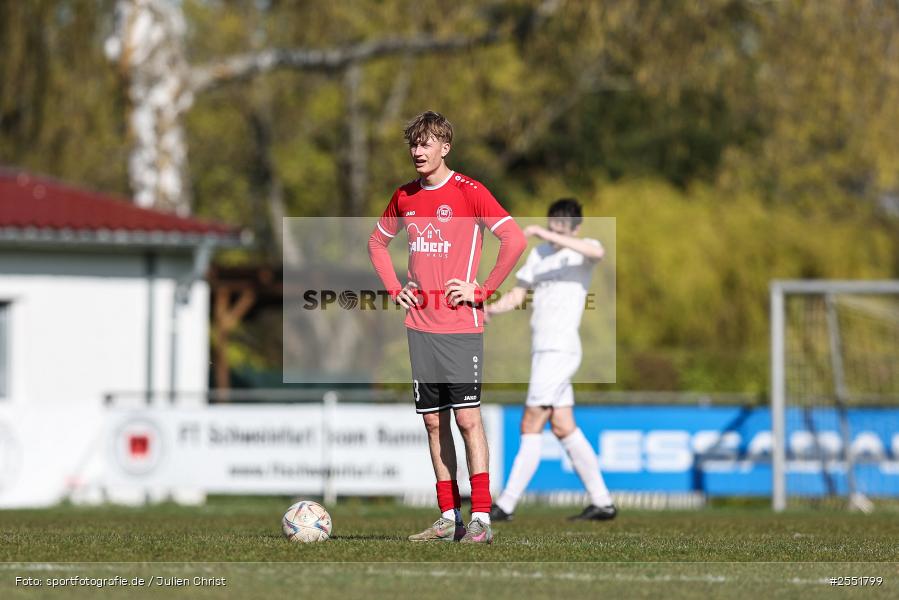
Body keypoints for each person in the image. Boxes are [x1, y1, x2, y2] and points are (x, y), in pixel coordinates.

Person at [368, 111, 526, 543]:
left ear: (445, 147)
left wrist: (484, 289)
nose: (418, 152)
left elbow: (515, 238)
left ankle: (481, 518)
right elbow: (377, 242)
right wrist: (393, 287)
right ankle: (447, 518)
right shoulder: (404, 196)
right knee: (434, 424)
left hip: (461, 327)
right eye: (413, 145)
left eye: (426, 143)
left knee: (468, 421)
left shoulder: (469, 192)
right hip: (420, 325)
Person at [487, 198, 617, 521]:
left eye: (561, 226)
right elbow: (518, 293)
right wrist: (488, 307)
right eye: (551, 224)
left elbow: (597, 253)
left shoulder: (583, 248)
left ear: (575, 228)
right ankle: (603, 502)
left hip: (560, 349)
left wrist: (548, 235)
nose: (553, 231)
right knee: (563, 426)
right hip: (541, 348)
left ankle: (505, 503)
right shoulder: (539, 255)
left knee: (531, 421)